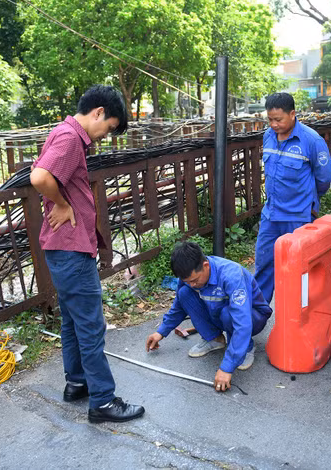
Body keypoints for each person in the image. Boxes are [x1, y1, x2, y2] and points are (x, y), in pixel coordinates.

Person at [30, 85, 145, 424]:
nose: (104, 135)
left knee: (73, 320)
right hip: (70, 247)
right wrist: (64, 205)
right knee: (91, 326)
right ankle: (103, 402)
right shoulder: (69, 138)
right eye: (108, 127)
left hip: (61, 247)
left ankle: (77, 382)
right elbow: (39, 177)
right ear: (98, 112)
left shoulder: (63, 133)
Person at [145, 242, 272, 392]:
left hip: (252, 317)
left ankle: (246, 348)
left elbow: (242, 323)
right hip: (219, 312)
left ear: (206, 265)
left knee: (228, 313)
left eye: (194, 280)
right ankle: (214, 339)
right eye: (187, 281)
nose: (192, 284)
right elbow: (179, 306)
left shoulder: (231, 275)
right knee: (184, 294)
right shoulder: (188, 277)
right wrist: (161, 331)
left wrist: (227, 367)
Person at [254, 92, 331, 303]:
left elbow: (324, 179)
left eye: (278, 119)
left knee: (298, 271)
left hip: (298, 218)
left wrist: (310, 203)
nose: (274, 124)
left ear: (292, 114)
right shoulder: (268, 136)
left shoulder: (311, 140)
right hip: (271, 216)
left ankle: (297, 319)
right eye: (270, 119)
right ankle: (256, 318)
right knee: (263, 267)